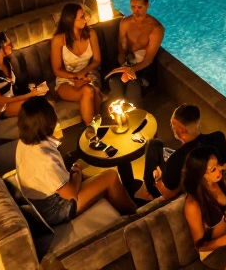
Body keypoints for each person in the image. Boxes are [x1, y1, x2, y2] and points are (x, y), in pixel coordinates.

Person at [14, 96, 135, 225]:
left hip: (40, 201)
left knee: (92, 173)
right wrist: (76, 177)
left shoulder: (24, 142)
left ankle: (124, 203)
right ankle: (136, 215)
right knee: (111, 177)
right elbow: (70, 194)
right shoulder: (45, 158)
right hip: (54, 210)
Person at [140, 104, 226, 201]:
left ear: (181, 129)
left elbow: (169, 192)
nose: (171, 127)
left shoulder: (176, 159)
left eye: (172, 124)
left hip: (174, 177)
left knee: (153, 144)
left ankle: (148, 186)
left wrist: (159, 178)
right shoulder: (218, 137)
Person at [106, 0, 164, 106]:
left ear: (147, 6)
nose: (135, 11)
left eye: (139, 7)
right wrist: (123, 62)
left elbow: (148, 60)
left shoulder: (156, 28)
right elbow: (122, 48)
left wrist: (132, 70)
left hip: (144, 68)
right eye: (133, 7)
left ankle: (134, 113)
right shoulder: (125, 23)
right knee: (115, 82)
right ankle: (115, 113)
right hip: (128, 63)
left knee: (133, 85)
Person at [51, 3, 102, 126]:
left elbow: (97, 60)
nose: (86, 19)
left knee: (91, 89)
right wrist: (75, 77)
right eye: (82, 17)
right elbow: (57, 70)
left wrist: (83, 74)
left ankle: (92, 129)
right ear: (71, 20)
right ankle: (94, 129)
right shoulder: (58, 40)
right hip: (66, 79)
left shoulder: (91, 34)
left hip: (88, 74)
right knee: (88, 90)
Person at [0, 31, 47, 119]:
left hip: (13, 97)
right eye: (7, 44)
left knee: (42, 97)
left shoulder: (6, 62)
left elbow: (13, 85)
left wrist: (31, 88)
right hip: (1, 107)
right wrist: (28, 95)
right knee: (34, 105)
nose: (11, 46)